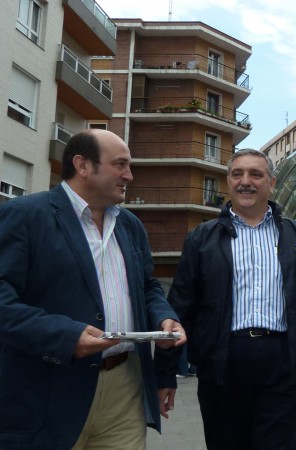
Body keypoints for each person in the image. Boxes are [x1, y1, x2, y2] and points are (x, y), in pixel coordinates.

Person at [0, 129, 186, 450]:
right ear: (83, 165)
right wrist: (66, 337)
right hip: (49, 387)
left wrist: (163, 318)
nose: (129, 175)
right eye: (121, 165)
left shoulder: (130, 226)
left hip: (124, 389)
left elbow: (148, 287)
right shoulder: (25, 217)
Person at [154, 148, 296, 450]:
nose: (245, 181)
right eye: (237, 174)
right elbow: (180, 308)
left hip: (282, 363)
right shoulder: (201, 239)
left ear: (272, 183)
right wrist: (165, 375)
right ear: (228, 181)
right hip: (222, 365)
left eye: (255, 174)